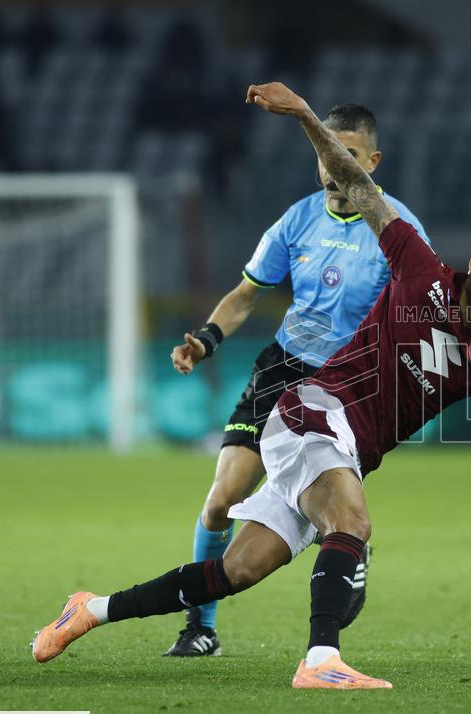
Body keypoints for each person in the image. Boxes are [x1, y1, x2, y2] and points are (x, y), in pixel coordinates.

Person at [32, 82, 471, 690]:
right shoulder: (417, 264)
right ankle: (320, 657)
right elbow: (353, 186)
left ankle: (92, 608)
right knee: (350, 522)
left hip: (342, 443)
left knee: (237, 570)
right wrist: (302, 111)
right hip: (311, 411)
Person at [164, 103, 429, 656]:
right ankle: (200, 629)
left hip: (348, 384)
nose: (333, 167)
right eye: (325, 155)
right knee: (221, 500)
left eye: (348, 156)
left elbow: (423, 311)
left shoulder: (398, 230)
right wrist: (206, 339)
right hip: (282, 368)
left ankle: (346, 550)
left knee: (331, 511)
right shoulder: (298, 218)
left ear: (373, 162)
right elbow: (246, 294)